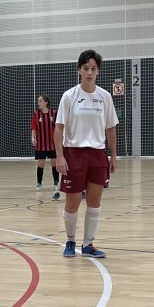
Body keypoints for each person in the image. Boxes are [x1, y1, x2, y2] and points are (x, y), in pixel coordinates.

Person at [54, 50, 118, 259]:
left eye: (93, 69)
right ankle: (71, 241)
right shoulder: (69, 96)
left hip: (98, 155)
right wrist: (60, 156)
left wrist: (113, 156)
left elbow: (110, 129)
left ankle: (88, 244)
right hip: (74, 154)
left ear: (98, 71)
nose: (89, 72)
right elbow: (59, 128)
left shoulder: (105, 97)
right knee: (72, 201)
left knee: (94, 201)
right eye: (86, 68)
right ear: (79, 70)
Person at [31, 95, 60, 196]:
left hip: (52, 143)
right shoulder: (36, 114)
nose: (38, 103)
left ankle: (56, 182)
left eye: (40, 101)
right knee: (41, 163)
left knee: (54, 163)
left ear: (46, 102)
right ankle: (39, 183)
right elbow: (34, 127)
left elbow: (58, 127)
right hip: (41, 143)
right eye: (38, 101)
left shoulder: (54, 113)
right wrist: (33, 137)